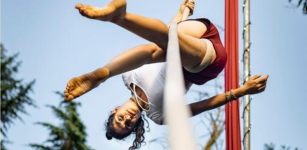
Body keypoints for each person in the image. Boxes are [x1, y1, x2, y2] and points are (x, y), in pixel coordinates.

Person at [64, 0, 269, 149]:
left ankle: (104, 72)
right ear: (136, 125)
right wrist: (240, 92)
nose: (126, 119)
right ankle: (120, 19)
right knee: (155, 49)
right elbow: (202, 106)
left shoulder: (128, 76)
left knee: (154, 48)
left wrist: (182, 13)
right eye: (128, 125)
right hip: (203, 64)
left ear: (116, 109)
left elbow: (166, 34)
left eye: (119, 118)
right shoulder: (159, 116)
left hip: (194, 32)